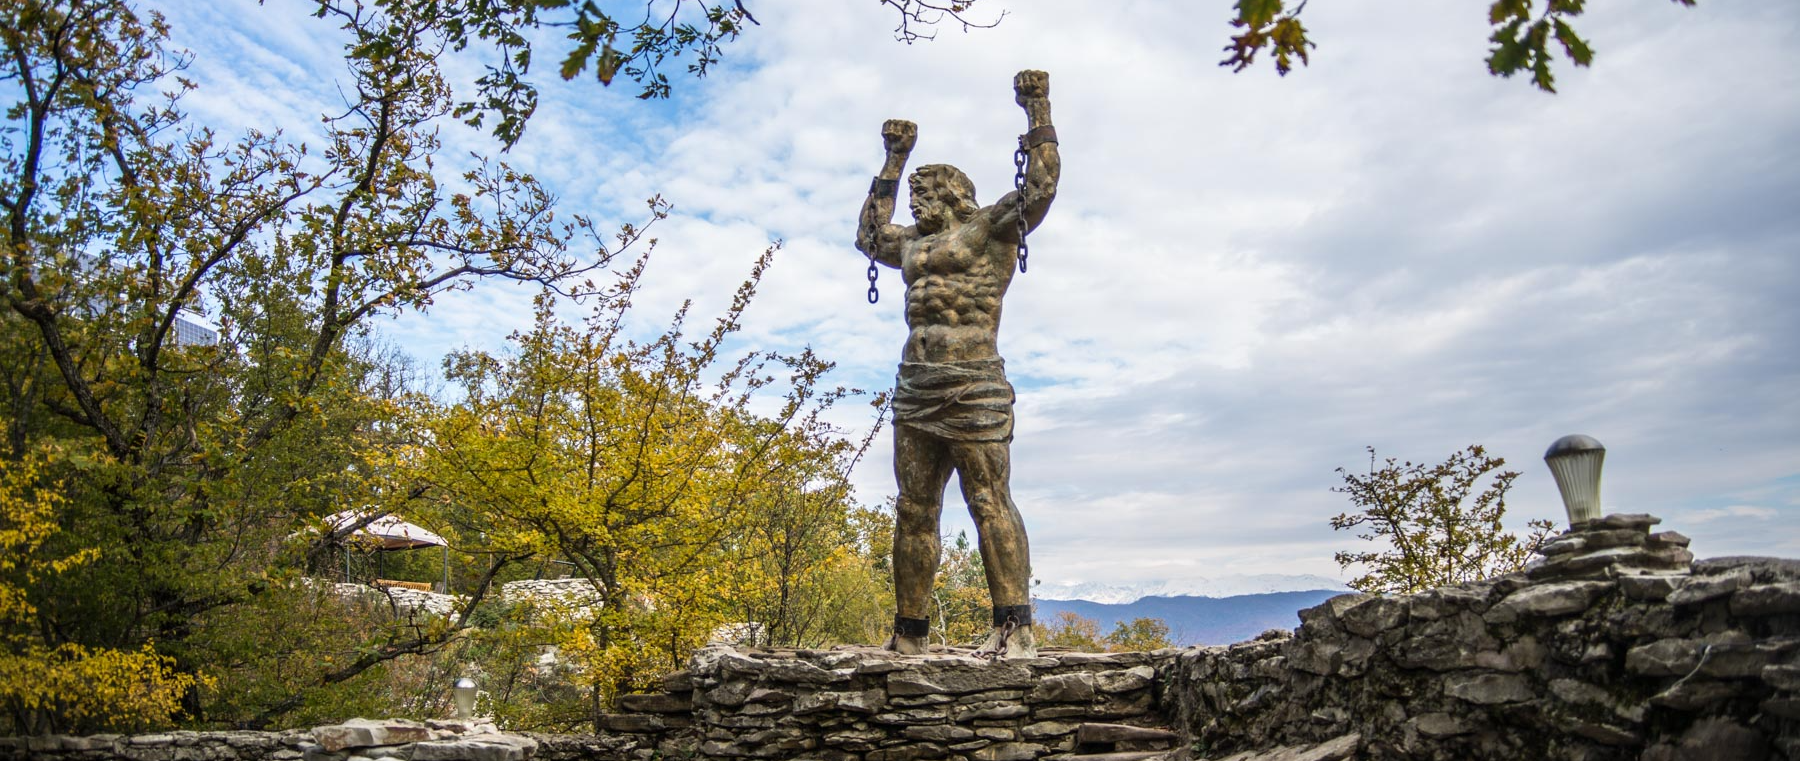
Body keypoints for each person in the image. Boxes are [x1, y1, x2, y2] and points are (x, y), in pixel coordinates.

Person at [854, 70, 1060, 657]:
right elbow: (869, 236)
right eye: (910, 191)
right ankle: (910, 632)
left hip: (973, 382)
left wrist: (1037, 109)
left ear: (951, 193)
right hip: (916, 384)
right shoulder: (911, 245)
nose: (913, 200)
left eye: (922, 189)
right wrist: (894, 160)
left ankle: (1014, 625)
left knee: (988, 499)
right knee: (914, 508)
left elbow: (1040, 189)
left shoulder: (988, 228)